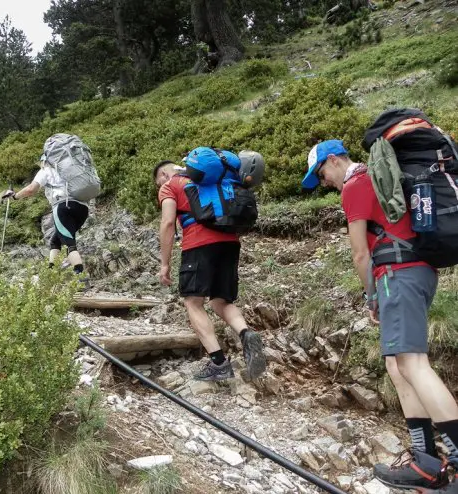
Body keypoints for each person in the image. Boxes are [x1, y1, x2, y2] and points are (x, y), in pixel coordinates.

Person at [302, 140, 458, 492]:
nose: (323, 181)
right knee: (398, 365)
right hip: (412, 271)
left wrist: (370, 296)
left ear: (334, 159)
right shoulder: (376, 179)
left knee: (414, 363)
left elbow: (359, 254)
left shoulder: (356, 184)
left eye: (321, 173)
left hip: (397, 274)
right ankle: (426, 461)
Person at [154, 159, 266, 382]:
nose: (159, 187)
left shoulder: (171, 185)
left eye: (158, 182)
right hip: (230, 242)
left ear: (164, 175)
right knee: (220, 301)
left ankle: (219, 364)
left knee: (193, 302)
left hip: (199, 244)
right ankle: (246, 333)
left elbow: (168, 223)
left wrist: (165, 263)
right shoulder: (213, 181)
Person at [3, 158, 89, 277]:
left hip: (63, 206)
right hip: (83, 208)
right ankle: (51, 274)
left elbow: (31, 189)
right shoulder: (71, 169)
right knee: (55, 241)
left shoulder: (46, 171)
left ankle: (81, 278)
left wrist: (15, 196)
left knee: (70, 243)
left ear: (44, 161)